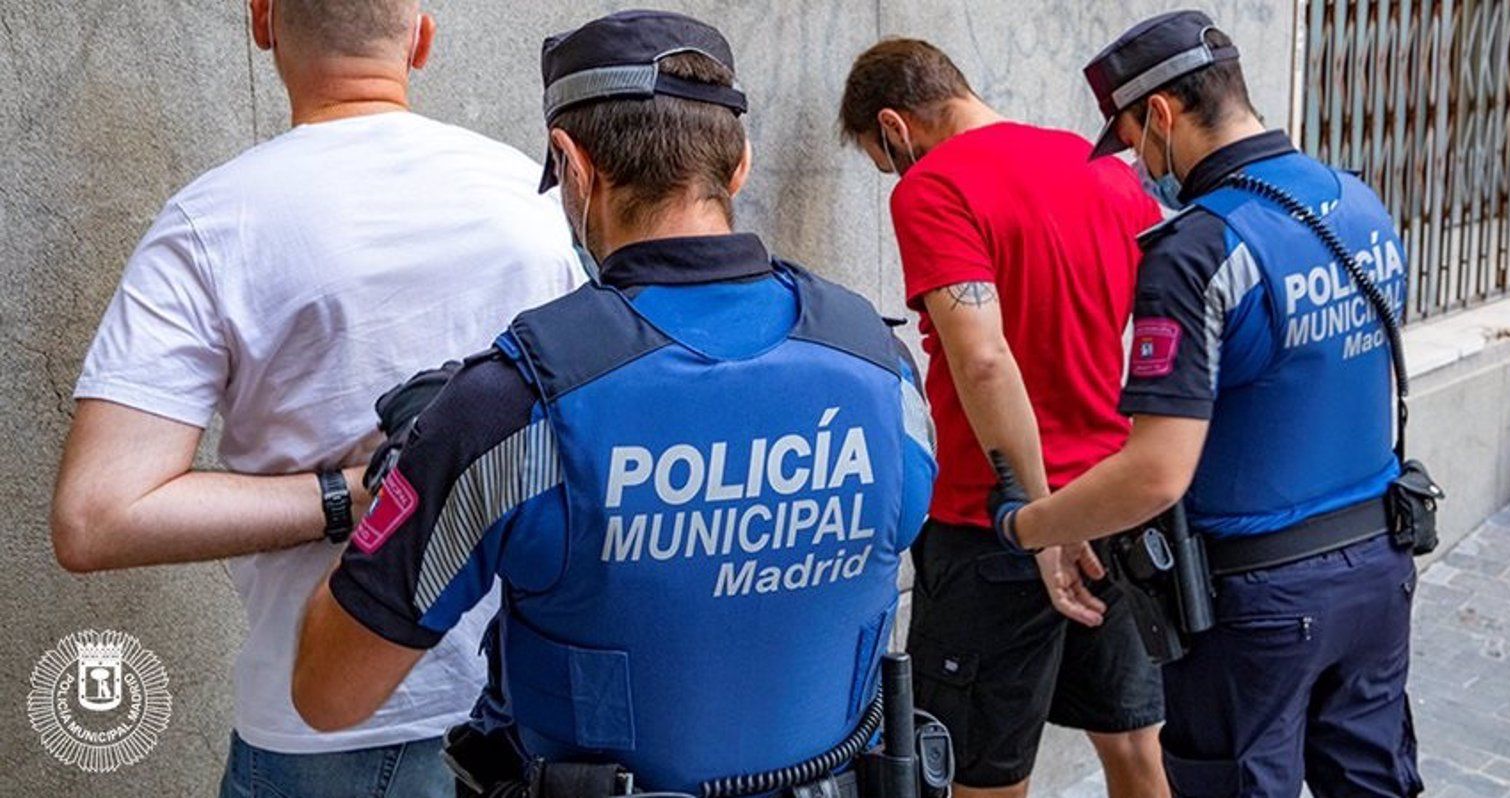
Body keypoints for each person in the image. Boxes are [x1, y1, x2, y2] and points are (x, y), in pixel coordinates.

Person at [290, 10, 937, 795]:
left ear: (571, 164)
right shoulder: (885, 372)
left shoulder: (509, 407)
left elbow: (328, 695)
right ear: (739, 166)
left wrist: (411, 470)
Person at [50, 1, 583, 794]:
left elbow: (98, 517)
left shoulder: (213, 222)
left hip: (324, 725)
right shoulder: (534, 196)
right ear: (421, 40)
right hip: (533, 710)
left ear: (261, 22)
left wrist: (357, 496)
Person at [991, 11, 1424, 798]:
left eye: (1130, 141)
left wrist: (1032, 526)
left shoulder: (1196, 250)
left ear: (1160, 114)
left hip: (1260, 604)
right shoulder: (1360, 204)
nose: (1139, 165)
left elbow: (1156, 473)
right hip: (1377, 571)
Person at [836, 39, 1168, 798]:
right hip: (1113, 500)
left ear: (896, 125)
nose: (894, 175)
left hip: (995, 525)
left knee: (983, 778)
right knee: (1136, 751)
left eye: (885, 159)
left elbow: (983, 359)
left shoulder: (934, 187)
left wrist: (1039, 513)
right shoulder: (1101, 171)